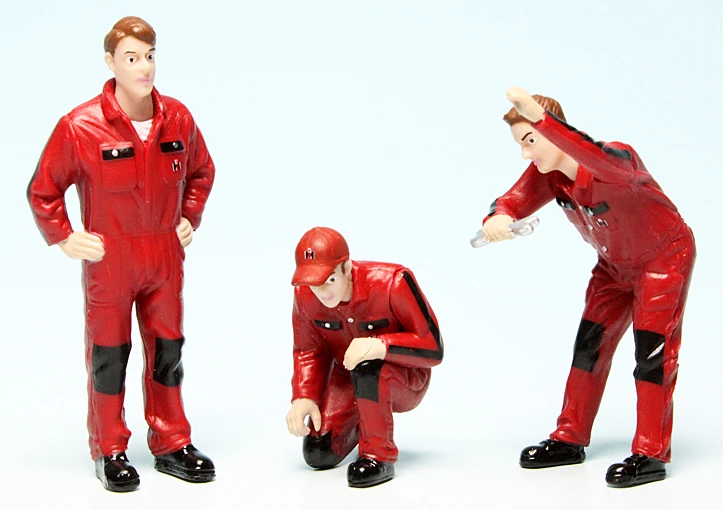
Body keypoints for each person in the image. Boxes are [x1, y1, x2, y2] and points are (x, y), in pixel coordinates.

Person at [27, 16, 216, 492]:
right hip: (110, 263)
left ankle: (172, 441)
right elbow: (43, 190)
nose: (144, 67)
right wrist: (64, 236)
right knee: (108, 357)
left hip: (164, 260)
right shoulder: (80, 126)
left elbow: (201, 171)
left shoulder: (178, 118)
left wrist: (189, 216)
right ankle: (109, 448)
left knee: (168, 352)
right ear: (110, 62)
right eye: (132, 58)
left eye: (149, 56)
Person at [481, 86, 696, 488]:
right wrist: (499, 216)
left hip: (662, 261)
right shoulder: (550, 174)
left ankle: (651, 451)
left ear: (553, 130)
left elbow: (592, 152)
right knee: (589, 346)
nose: (526, 154)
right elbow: (513, 198)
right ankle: (570, 436)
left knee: (652, 353)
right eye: (520, 144)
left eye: (530, 141)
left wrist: (543, 120)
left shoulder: (615, 160)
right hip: (613, 268)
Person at [287, 227, 444, 488]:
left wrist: (380, 346)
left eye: (330, 280)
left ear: (346, 268)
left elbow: (432, 347)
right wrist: (304, 397)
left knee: (368, 369)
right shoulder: (305, 296)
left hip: (401, 374)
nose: (322, 292)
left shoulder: (393, 282)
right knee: (319, 452)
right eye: (314, 283)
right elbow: (308, 350)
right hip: (346, 378)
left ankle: (378, 455)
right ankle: (367, 420)